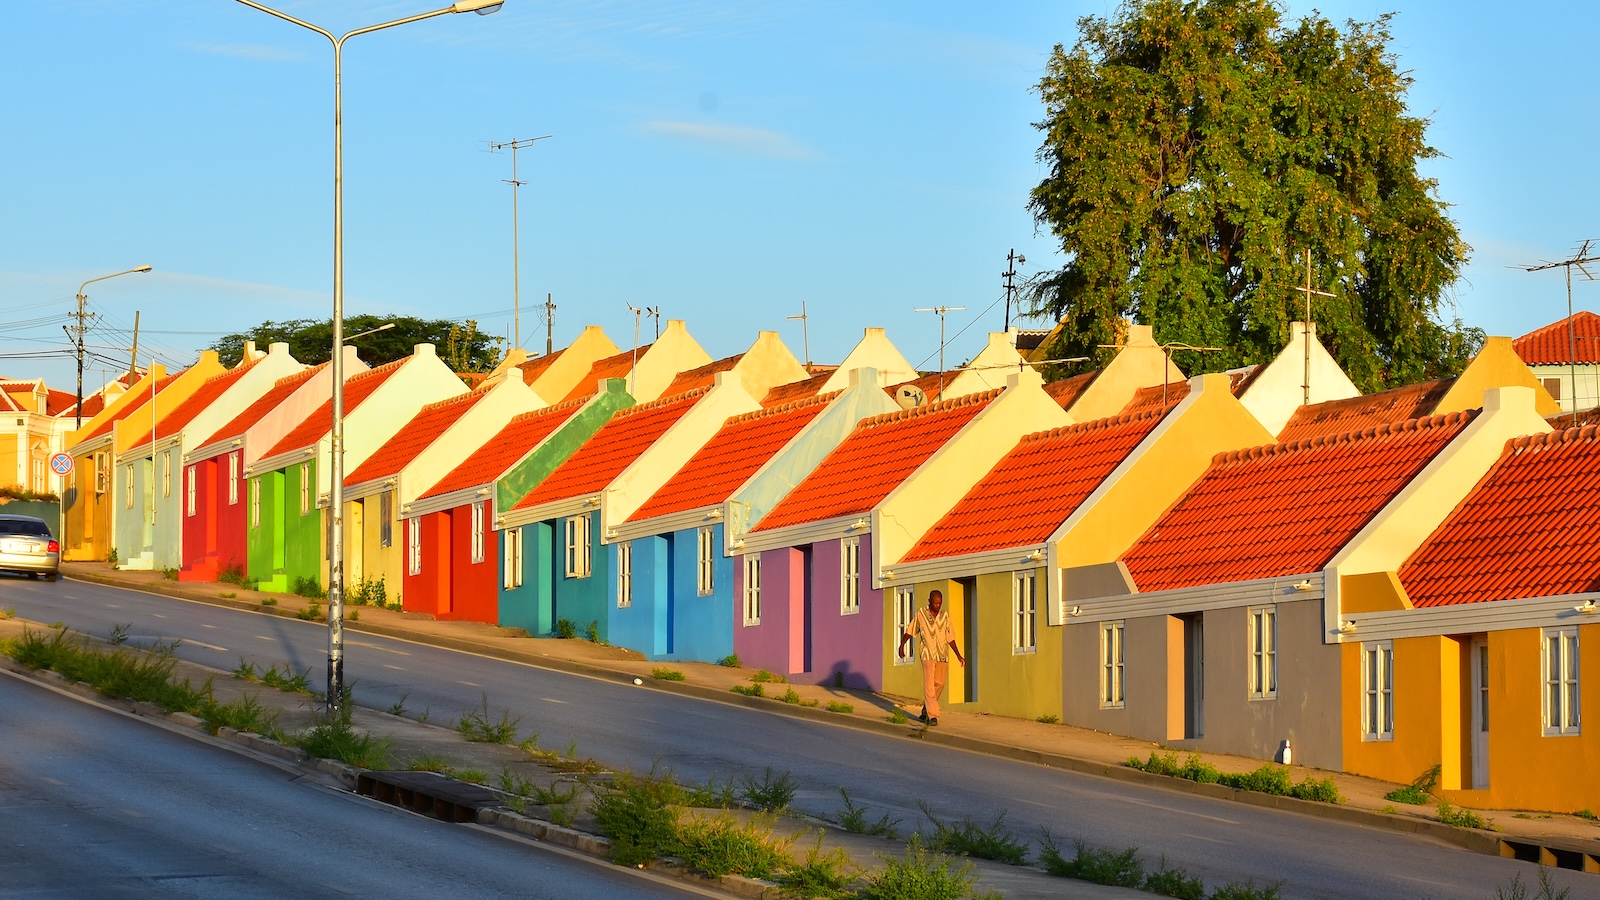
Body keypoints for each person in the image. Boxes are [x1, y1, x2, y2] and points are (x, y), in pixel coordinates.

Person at [897, 589, 964, 725]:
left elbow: (950, 638)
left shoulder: (945, 616)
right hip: (927, 654)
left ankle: (926, 709)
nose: (937, 606)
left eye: (939, 603)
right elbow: (911, 630)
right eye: (935, 603)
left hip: (942, 655)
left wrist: (959, 656)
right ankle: (933, 716)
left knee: (940, 683)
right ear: (929, 601)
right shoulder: (921, 614)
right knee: (929, 685)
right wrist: (902, 645)